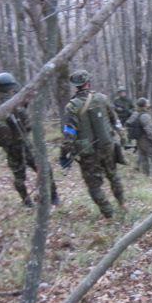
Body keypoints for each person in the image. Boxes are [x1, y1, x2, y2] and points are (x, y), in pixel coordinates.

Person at [0, 72, 59, 207]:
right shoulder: (15, 102)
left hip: (10, 149)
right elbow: (28, 125)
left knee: (19, 176)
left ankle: (27, 202)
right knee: (44, 168)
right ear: (11, 86)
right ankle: (54, 197)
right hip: (23, 144)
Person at [60, 70, 125, 218]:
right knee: (113, 176)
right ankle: (122, 204)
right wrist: (123, 137)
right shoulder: (103, 98)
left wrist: (64, 154)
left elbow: (69, 132)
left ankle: (109, 214)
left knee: (94, 185)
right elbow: (116, 121)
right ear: (88, 82)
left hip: (87, 151)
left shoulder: (72, 106)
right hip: (107, 145)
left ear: (76, 86)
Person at [126, 97, 152, 177]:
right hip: (145, 139)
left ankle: (146, 175)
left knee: (143, 157)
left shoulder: (135, 113)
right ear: (144, 105)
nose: (149, 104)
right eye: (147, 103)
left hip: (138, 139)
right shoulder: (145, 115)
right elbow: (149, 130)